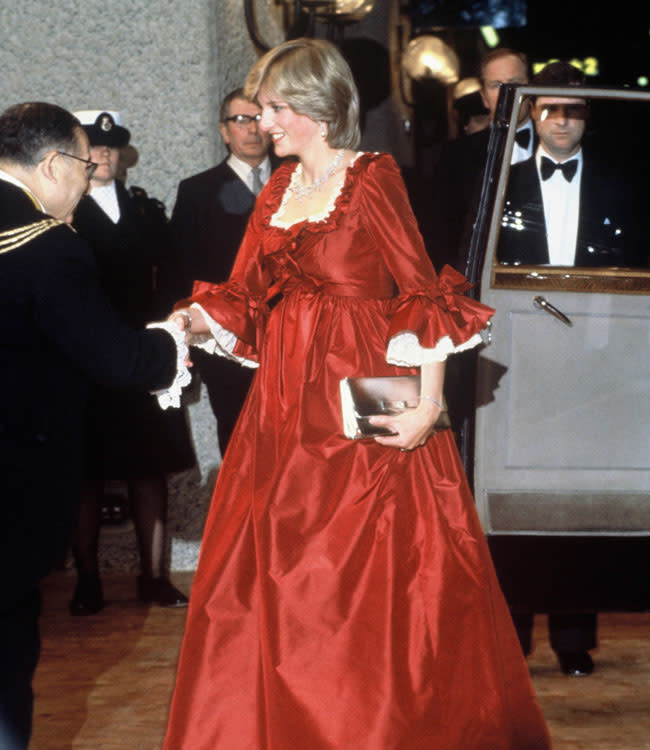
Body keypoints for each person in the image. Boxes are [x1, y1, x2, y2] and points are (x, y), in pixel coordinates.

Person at [162, 39, 550, 749]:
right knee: (284, 564)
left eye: (276, 107)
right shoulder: (276, 190)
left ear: (315, 105)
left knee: (368, 565)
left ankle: (369, 723)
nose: (264, 120)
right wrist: (188, 320)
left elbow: (421, 286)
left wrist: (428, 403)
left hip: (361, 383)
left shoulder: (371, 176)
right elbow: (245, 293)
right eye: (261, 107)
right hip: (286, 396)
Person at [0, 102, 188, 750]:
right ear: (52, 164)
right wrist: (173, 342)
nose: (86, 178)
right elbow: (114, 357)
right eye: (82, 164)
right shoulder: (50, 246)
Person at [67, 110, 195, 616]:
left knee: (150, 471)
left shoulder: (145, 211)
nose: (102, 155)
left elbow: (174, 281)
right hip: (89, 359)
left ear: (122, 155)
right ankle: (88, 581)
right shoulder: (64, 211)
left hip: (143, 355)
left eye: (111, 147)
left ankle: (155, 577)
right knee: (87, 475)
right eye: (93, 148)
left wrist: (173, 338)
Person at [163, 89, 273, 453]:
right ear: (225, 131)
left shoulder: (296, 183)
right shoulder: (199, 191)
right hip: (226, 341)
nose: (252, 129)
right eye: (241, 120)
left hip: (288, 334)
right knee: (239, 437)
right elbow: (179, 269)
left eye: (259, 118)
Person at [497, 62, 642, 268]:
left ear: (587, 112)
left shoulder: (620, 186)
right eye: (550, 109)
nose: (562, 121)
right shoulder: (504, 184)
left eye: (572, 110)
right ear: (533, 111)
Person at [428, 47, 533, 273]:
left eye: (515, 82)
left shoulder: (559, 148)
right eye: (497, 85)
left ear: (531, 88)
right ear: (484, 98)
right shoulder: (455, 157)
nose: (508, 92)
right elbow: (441, 235)